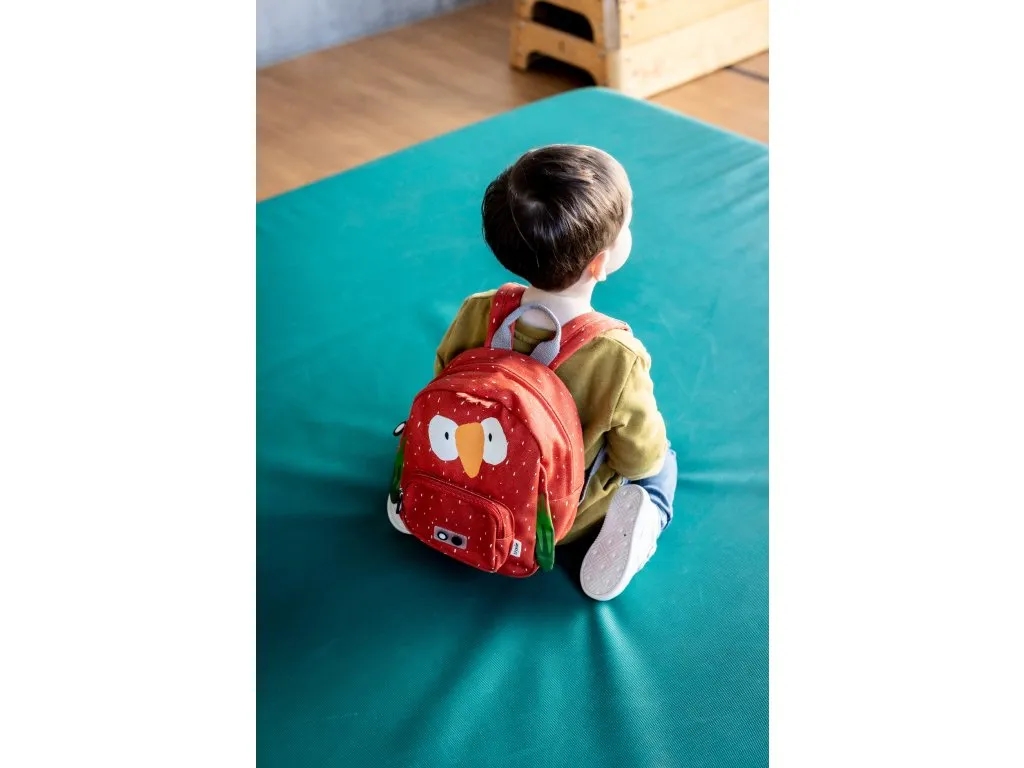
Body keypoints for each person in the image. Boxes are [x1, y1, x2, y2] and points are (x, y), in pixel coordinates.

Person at [417, 144, 677, 601]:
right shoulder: (617, 356)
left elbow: (444, 377)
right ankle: (640, 522)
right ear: (600, 262)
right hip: (553, 520)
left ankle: (423, 485)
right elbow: (637, 458)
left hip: (467, 474)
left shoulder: (477, 310)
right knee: (663, 463)